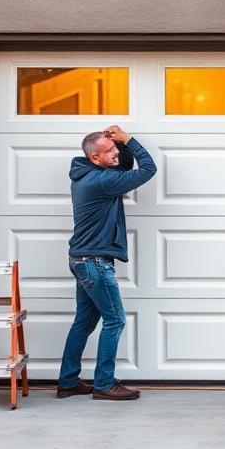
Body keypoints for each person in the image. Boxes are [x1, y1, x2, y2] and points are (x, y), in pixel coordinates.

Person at [57, 125, 156, 401]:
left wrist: (119, 144)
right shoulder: (101, 181)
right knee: (115, 320)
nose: (114, 153)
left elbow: (122, 164)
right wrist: (130, 140)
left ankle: (67, 382)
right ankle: (104, 383)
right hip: (95, 264)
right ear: (94, 158)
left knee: (84, 322)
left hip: (82, 260)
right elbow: (147, 169)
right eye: (108, 150)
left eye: (113, 148)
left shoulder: (88, 175)